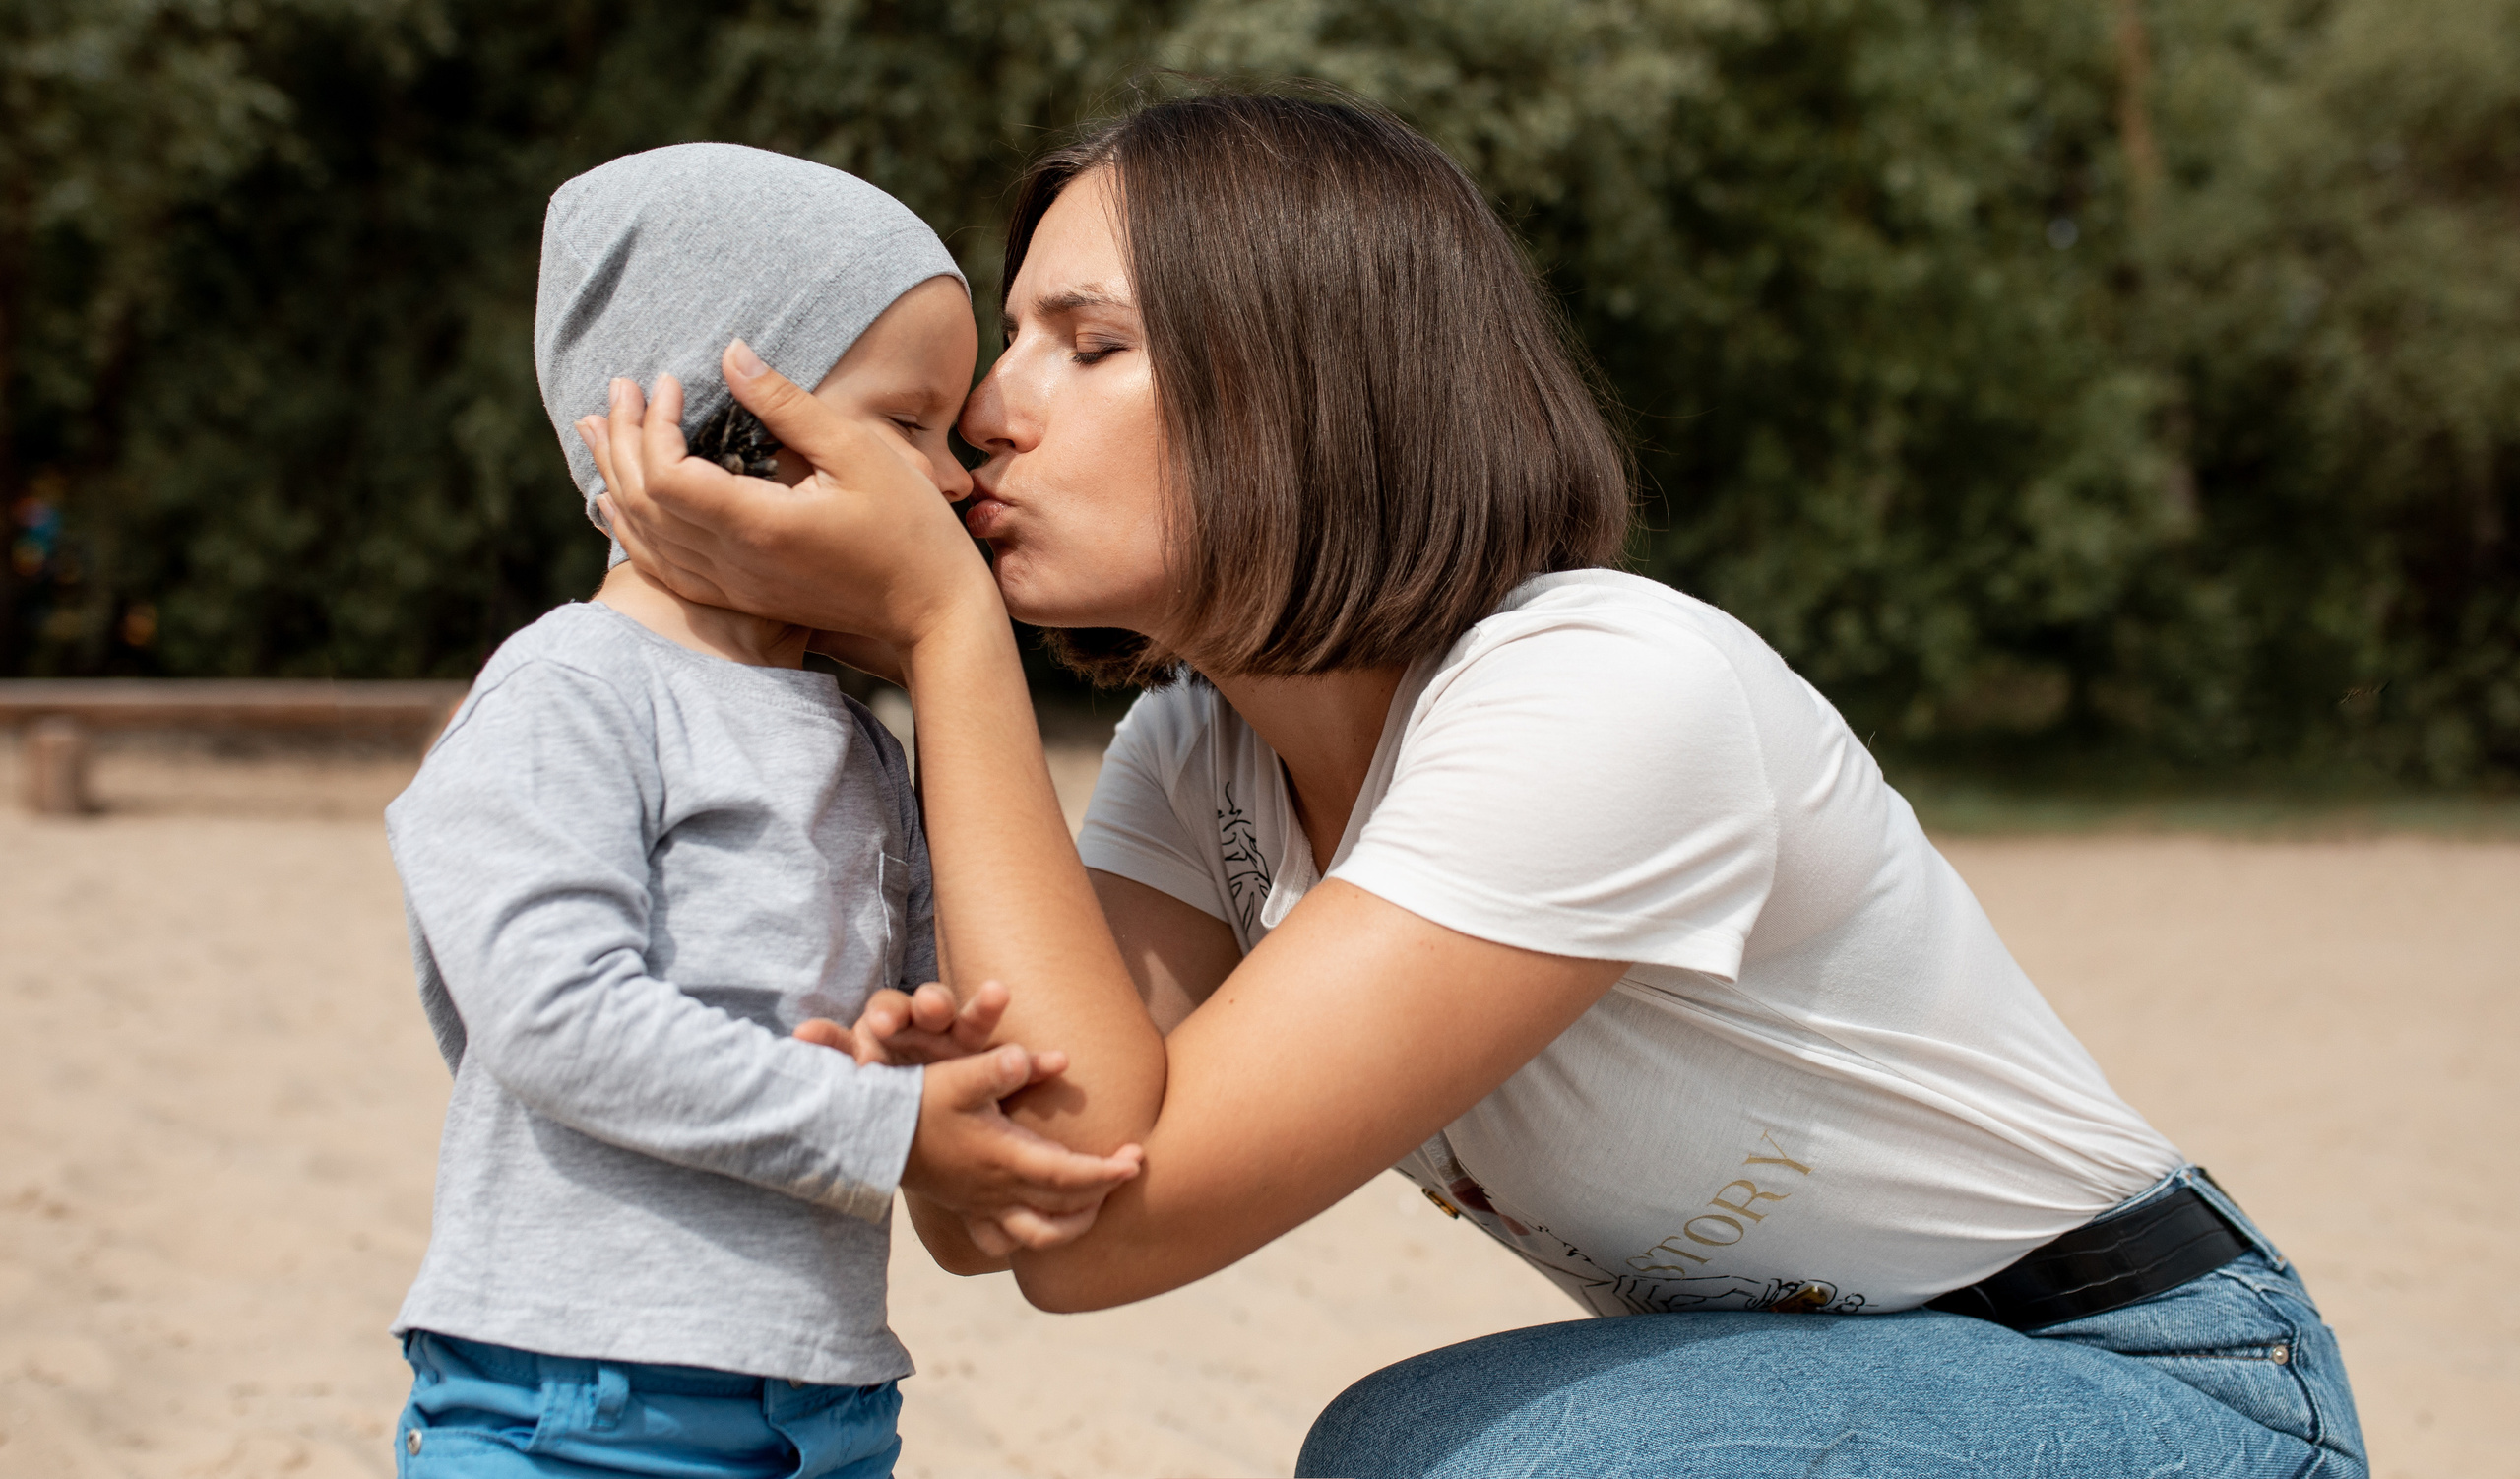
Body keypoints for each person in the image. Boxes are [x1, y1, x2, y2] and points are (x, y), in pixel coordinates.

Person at [587, 95, 2368, 1477]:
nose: (988, 413)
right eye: (1009, 346)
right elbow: (1036, 1225)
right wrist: (951, 1133)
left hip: (2160, 1390)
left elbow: (1115, 1213)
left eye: (1090, 342)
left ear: (1308, 382)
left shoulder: (1601, 690)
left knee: (1451, 1457)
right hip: (1843, 1403)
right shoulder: (1195, 753)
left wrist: (942, 635)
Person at [384, 143, 1140, 1479]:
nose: (957, 478)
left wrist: (926, 1051)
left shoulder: (863, 737)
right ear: (719, 428)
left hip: (823, 1400)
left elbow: (908, 1002)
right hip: (582, 1398)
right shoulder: (571, 690)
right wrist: (884, 1126)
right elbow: (551, 1016)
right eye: (904, 426)